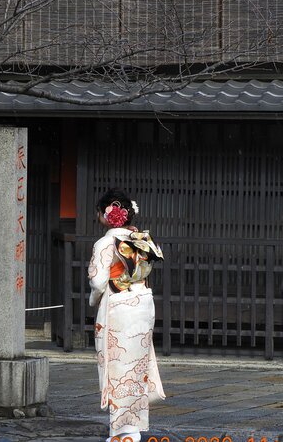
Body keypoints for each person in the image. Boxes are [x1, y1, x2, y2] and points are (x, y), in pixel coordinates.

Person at [88, 189, 166, 442]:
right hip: (142, 301)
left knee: (117, 365)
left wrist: (93, 300)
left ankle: (123, 431)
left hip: (118, 307)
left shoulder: (104, 244)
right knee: (137, 364)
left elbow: (100, 282)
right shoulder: (142, 239)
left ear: (105, 215)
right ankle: (133, 426)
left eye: (99, 212)